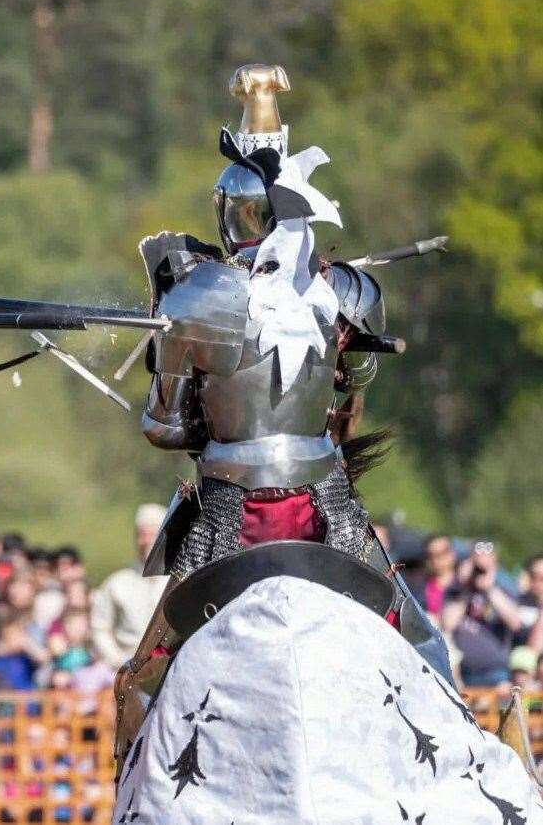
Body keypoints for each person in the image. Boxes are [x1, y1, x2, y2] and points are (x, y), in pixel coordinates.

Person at [116, 65, 450, 760]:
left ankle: (135, 786)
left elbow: (163, 428)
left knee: (142, 683)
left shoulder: (195, 298)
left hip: (227, 516)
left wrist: (178, 344)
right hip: (322, 507)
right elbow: (349, 386)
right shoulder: (344, 291)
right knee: (422, 645)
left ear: (229, 216)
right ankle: (471, 757)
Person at [91, 504, 168, 670]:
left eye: (152, 535)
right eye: (142, 535)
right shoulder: (117, 583)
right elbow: (100, 627)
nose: (146, 541)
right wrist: (118, 661)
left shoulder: (176, 582)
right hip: (127, 672)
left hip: (169, 670)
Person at [442, 541, 521, 687]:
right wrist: (465, 587)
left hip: (496, 673)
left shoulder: (505, 587)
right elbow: (448, 624)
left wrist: (489, 589)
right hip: (462, 674)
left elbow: (515, 622)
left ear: (495, 562)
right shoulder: (456, 590)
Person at [409, 534, 458, 623]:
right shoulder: (416, 587)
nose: (437, 559)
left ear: (452, 553)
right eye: (432, 555)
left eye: (442, 552)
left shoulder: (465, 588)